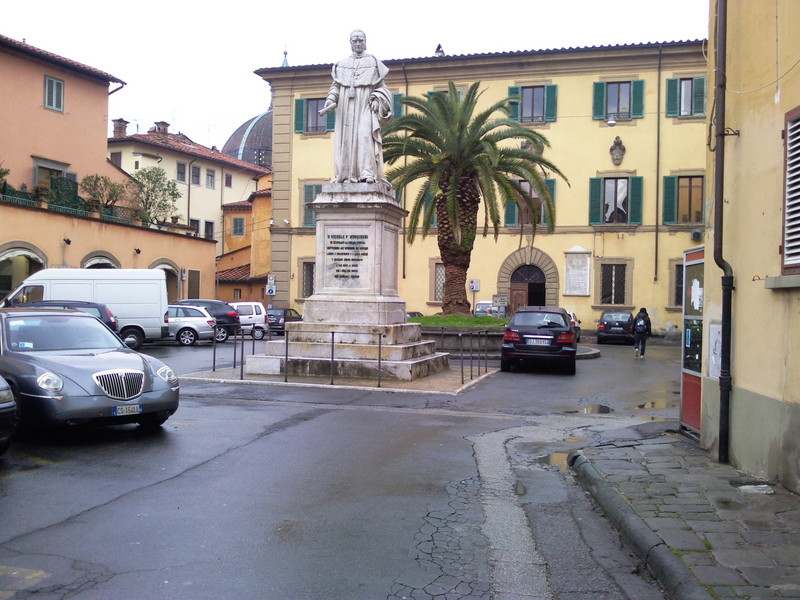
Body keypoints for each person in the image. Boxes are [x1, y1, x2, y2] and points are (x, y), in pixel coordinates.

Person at [319, 30, 393, 185]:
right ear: (350, 43)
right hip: (346, 109)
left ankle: (367, 173)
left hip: (366, 105)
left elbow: (383, 88)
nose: (358, 43)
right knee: (346, 141)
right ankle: (344, 174)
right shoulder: (341, 65)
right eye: (355, 41)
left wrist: (377, 98)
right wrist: (331, 99)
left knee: (365, 136)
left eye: (361, 40)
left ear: (365, 42)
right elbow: (336, 86)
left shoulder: (373, 63)